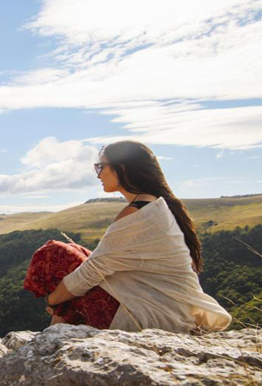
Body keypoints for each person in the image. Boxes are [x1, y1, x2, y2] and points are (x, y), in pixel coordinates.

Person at [42, 140, 231, 333]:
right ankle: (57, 328)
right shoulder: (154, 205)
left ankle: (55, 333)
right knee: (77, 254)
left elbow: (92, 272)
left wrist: (52, 299)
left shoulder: (138, 212)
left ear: (121, 169)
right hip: (170, 312)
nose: (98, 174)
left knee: (54, 253)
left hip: (153, 317)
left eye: (101, 166)